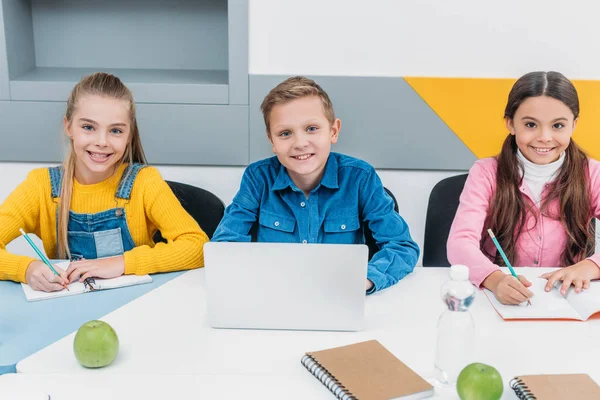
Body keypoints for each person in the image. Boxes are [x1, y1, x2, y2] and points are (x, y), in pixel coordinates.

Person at [0, 72, 208, 292]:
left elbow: (197, 246)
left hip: (137, 305)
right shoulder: (41, 186)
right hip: (68, 308)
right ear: (68, 127)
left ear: (129, 135)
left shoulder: (145, 182)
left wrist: (121, 263)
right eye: (88, 127)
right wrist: (27, 268)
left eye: (115, 130)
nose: (101, 142)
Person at [211, 76, 419, 293]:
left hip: (339, 296)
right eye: (285, 133)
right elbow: (224, 246)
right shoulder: (257, 178)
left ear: (333, 131)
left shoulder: (360, 177)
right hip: (274, 295)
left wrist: (365, 280)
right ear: (272, 141)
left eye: (311, 128)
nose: (300, 143)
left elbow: (402, 247)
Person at [447, 71, 600, 304]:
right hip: (498, 298)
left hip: (564, 299)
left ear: (574, 125)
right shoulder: (486, 172)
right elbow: (459, 243)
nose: (545, 137)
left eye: (558, 125)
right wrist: (495, 279)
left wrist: (590, 266)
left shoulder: (592, 173)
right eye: (530, 124)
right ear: (510, 123)